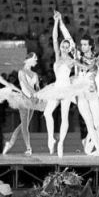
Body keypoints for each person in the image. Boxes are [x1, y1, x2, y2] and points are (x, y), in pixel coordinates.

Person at [35, 12, 78, 158]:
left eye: (67, 46)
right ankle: (51, 138)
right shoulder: (58, 56)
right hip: (56, 88)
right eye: (63, 45)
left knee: (65, 117)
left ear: (69, 48)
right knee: (47, 113)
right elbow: (54, 38)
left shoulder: (72, 60)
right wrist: (56, 22)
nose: (64, 48)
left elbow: (83, 67)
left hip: (66, 89)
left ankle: (61, 143)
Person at [4, 52, 41, 156]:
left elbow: (37, 86)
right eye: (34, 58)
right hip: (24, 99)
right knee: (25, 126)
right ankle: (29, 148)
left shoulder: (35, 74)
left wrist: (39, 94)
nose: (36, 60)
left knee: (24, 124)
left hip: (32, 100)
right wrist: (35, 94)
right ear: (28, 59)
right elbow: (26, 86)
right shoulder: (21, 72)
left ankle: (10, 143)